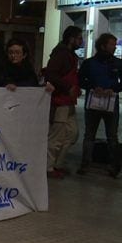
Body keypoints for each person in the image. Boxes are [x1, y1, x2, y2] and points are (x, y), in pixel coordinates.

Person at [77, 33, 122, 177]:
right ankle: (85, 163)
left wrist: (113, 89)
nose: (115, 47)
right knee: (90, 134)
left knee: (112, 136)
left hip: (111, 102)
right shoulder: (89, 63)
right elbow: (81, 79)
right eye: (112, 44)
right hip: (93, 102)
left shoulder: (118, 63)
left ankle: (114, 166)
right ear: (103, 46)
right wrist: (93, 87)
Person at [44, 26, 84, 179]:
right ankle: (49, 167)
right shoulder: (61, 54)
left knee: (72, 134)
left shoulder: (69, 55)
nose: (81, 41)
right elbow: (50, 74)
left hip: (68, 102)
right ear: (71, 39)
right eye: (79, 38)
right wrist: (68, 88)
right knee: (56, 136)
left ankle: (56, 164)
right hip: (60, 102)